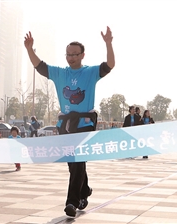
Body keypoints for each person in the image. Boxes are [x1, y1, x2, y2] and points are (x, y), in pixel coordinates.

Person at [24, 26, 115, 217]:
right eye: (68, 54)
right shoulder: (59, 73)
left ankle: (72, 202)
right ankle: (85, 190)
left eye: (75, 54)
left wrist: (108, 43)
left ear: (82, 55)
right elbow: (40, 66)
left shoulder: (90, 72)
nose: (71, 57)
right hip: (65, 125)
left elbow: (110, 65)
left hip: (84, 124)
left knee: (78, 160)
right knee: (73, 163)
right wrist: (29, 49)